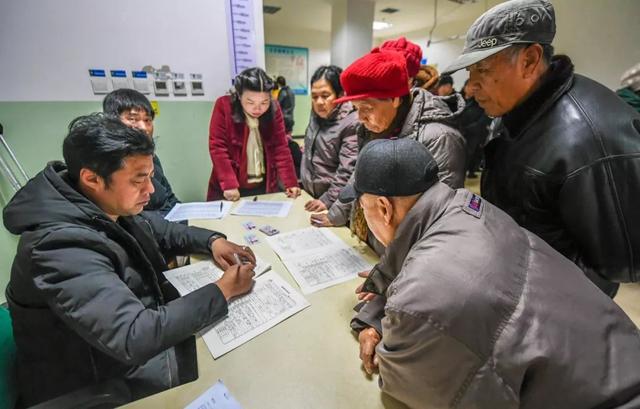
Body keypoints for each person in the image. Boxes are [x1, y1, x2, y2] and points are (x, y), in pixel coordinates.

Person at [346, 138, 640, 409]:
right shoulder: (468, 207)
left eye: (363, 208)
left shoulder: (421, 297)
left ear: (384, 208)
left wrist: (392, 331)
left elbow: (409, 386)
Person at [3, 113, 257, 406]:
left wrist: (213, 241)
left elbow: (159, 228)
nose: (150, 189)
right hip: (93, 382)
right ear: (92, 179)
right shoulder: (58, 247)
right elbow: (134, 336)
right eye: (139, 180)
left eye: (150, 176)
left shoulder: (94, 201)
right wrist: (223, 290)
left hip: (114, 353)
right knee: (235, 375)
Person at [443, 0, 640, 296]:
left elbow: (613, 266)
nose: (470, 87)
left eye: (481, 69)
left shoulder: (589, 140)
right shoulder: (513, 109)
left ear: (530, 61)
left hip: (554, 307)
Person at [311, 49, 466, 230]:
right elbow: (361, 176)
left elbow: (438, 217)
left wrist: (394, 257)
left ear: (394, 99)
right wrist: (336, 214)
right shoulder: (374, 127)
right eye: (355, 108)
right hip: (378, 237)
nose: (360, 118)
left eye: (367, 108)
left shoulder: (439, 138)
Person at [207, 68, 300, 201]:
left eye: (264, 102)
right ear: (239, 96)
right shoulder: (224, 105)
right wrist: (229, 183)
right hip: (231, 187)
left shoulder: (274, 108)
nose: (258, 108)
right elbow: (218, 147)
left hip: (264, 185)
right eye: (250, 102)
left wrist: (290, 181)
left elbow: (280, 147)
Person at [103, 88, 180, 216]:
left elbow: (170, 198)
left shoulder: (150, 158)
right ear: (112, 122)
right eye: (133, 119)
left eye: (147, 120)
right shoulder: (109, 164)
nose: (144, 128)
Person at [301, 65, 358, 214]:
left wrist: (328, 200)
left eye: (325, 96)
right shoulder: (316, 116)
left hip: (332, 204)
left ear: (340, 94)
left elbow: (347, 170)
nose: (319, 102)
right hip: (311, 197)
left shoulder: (351, 123)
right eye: (314, 97)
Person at [458, 79, 491, 178]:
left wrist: (469, 128)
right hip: (459, 132)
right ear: (465, 88)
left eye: (474, 87)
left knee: (471, 154)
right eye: (470, 86)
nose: (472, 89)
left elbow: (483, 119)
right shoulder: (458, 100)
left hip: (473, 134)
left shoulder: (479, 102)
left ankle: (470, 171)